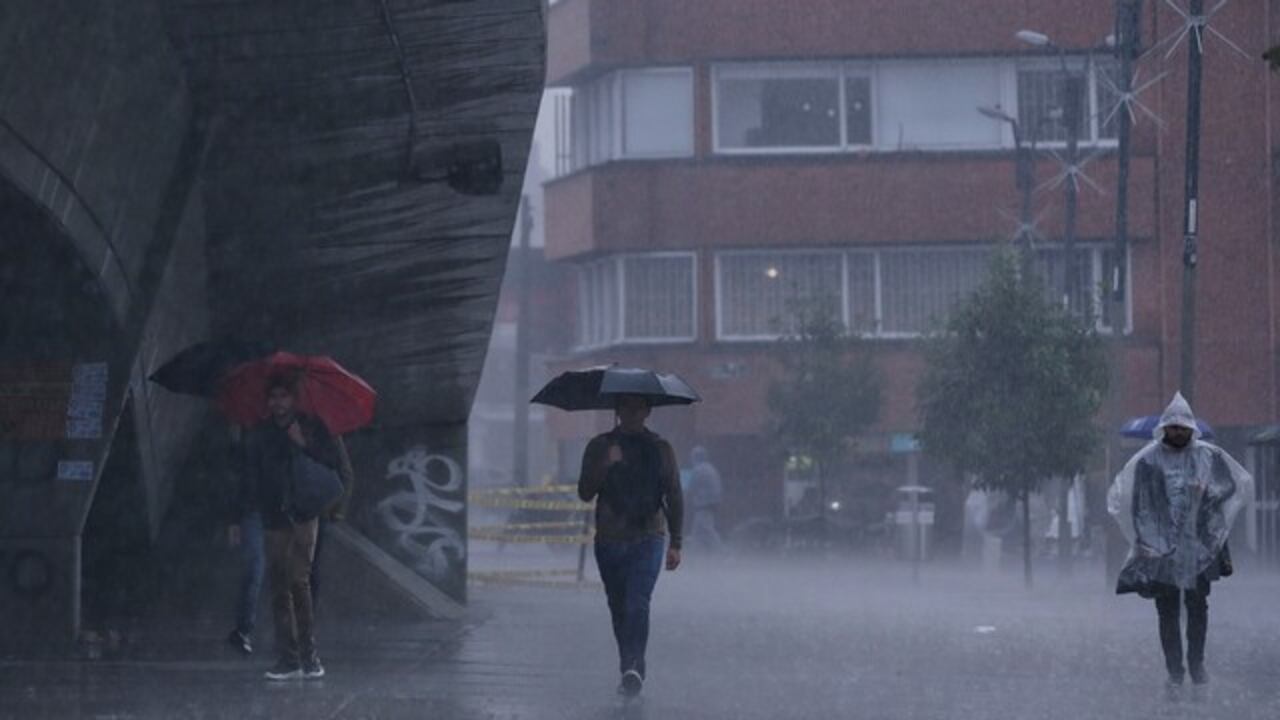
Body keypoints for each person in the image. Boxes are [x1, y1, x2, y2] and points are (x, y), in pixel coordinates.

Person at [1108, 392, 1253, 688]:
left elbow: (1228, 487)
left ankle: (1196, 664)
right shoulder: (1149, 460)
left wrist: (1206, 496)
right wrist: (1147, 539)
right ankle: (1175, 669)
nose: (1177, 432)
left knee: (1198, 606)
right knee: (1168, 609)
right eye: (1173, 427)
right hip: (1162, 548)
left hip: (1199, 545)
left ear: (1191, 428)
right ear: (1165, 428)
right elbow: (1138, 502)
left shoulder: (1207, 456)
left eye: (1182, 427)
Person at [237, 375, 344, 681]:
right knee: (279, 586)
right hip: (273, 516)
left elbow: (332, 462)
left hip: (304, 513)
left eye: (284, 396)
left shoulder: (312, 426)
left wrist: (303, 443)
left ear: (294, 400)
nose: (278, 403)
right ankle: (289, 657)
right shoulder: (260, 433)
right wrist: (245, 513)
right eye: (273, 397)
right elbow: (251, 474)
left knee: (299, 580)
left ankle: (310, 656)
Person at [578, 395, 684, 698]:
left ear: (648, 411)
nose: (632, 413)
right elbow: (585, 491)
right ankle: (627, 661)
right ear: (618, 410)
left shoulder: (661, 449)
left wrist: (676, 542)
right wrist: (605, 464)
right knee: (619, 606)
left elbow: (674, 495)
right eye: (626, 407)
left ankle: (635, 664)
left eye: (638, 407)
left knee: (638, 601)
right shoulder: (600, 446)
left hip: (648, 537)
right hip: (610, 539)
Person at [228, 425, 354, 656]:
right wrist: (237, 516)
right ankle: (278, 638)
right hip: (273, 505)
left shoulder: (318, 424)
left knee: (304, 574)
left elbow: (340, 466)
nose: (279, 403)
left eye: (283, 396)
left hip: (306, 504)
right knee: (274, 572)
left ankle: (300, 638)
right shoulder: (261, 428)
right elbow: (248, 470)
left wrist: (337, 510)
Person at [687, 446, 724, 552]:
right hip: (711, 503)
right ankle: (694, 553)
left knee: (707, 529)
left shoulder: (698, 469)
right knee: (697, 531)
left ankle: (722, 552)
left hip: (704, 504)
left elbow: (691, 487)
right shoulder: (710, 468)